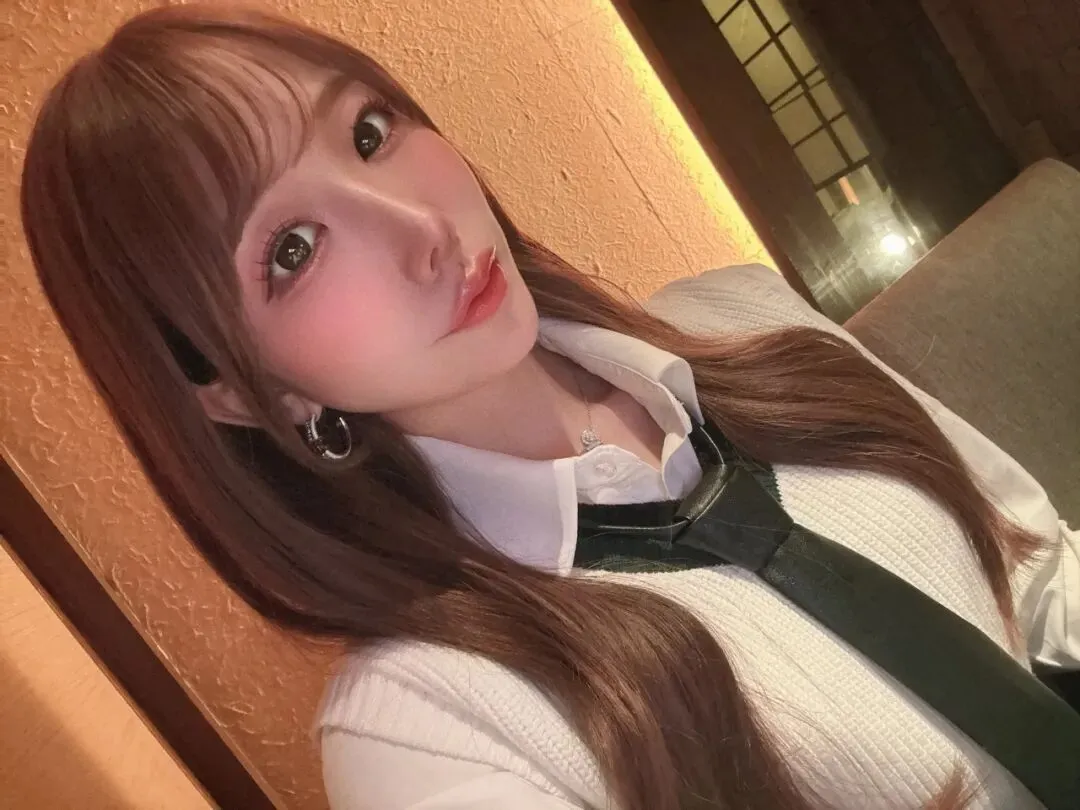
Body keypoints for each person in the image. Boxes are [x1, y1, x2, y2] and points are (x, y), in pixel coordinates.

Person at [19, 6, 1078, 810]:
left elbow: (1036, 574)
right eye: (291, 249)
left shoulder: (741, 314)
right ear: (233, 388)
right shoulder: (429, 731)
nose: (421, 227)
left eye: (370, 131)